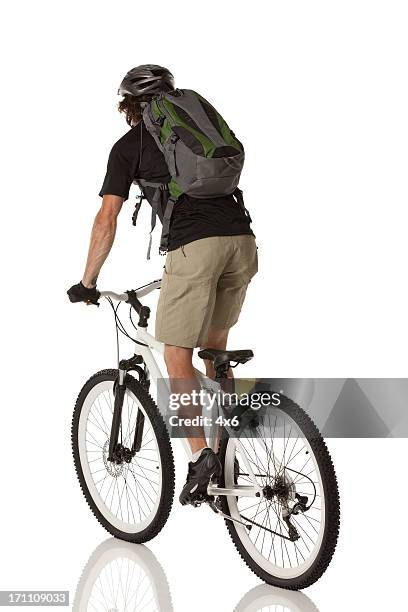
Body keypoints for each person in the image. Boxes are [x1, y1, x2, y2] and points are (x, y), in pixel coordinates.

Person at [67, 65, 258, 505]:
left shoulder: (127, 147)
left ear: (128, 106)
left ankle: (202, 460)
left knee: (175, 354)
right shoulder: (196, 132)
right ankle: (228, 449)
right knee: (216, 351)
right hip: (242, 242)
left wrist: (88, 281)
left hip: (196, 247)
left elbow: (106, 220)